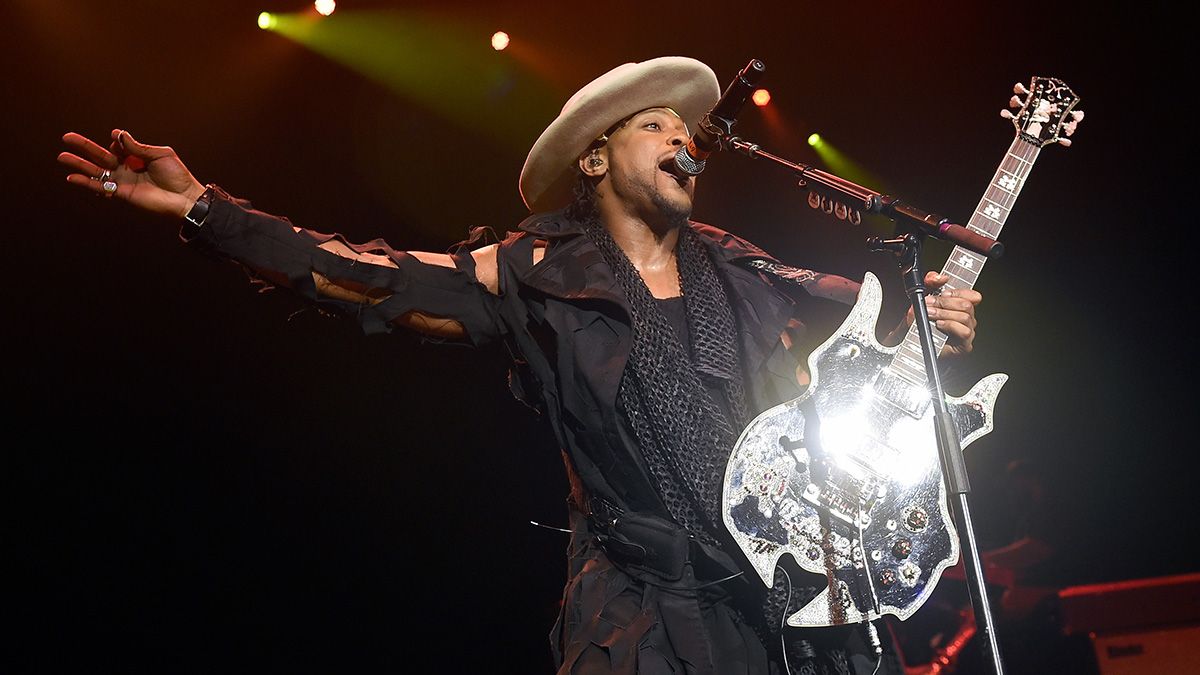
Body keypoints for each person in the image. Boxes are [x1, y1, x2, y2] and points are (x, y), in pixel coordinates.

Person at [58, 57, 981, 675]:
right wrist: (205, 211)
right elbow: (357, 274)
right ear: (594, 157)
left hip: (794, 596)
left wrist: (936, 314)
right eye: (654, 125)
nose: (682, 139)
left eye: (685, 128)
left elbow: (876, 335)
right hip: (651, 610)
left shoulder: (743, 267)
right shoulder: (531, 270)